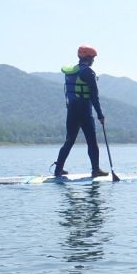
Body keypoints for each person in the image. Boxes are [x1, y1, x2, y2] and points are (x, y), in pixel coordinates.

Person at [52, 45, 109, 177]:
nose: (94, 61)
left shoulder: (71, 71)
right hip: (84, 110)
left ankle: (58, 169)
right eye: (93, 58)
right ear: (88, 58)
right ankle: (96, 170)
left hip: (71, 110)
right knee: (92, 142)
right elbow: (94, 96)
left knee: (69, 140)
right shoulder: (88, 72)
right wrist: (100, 114)